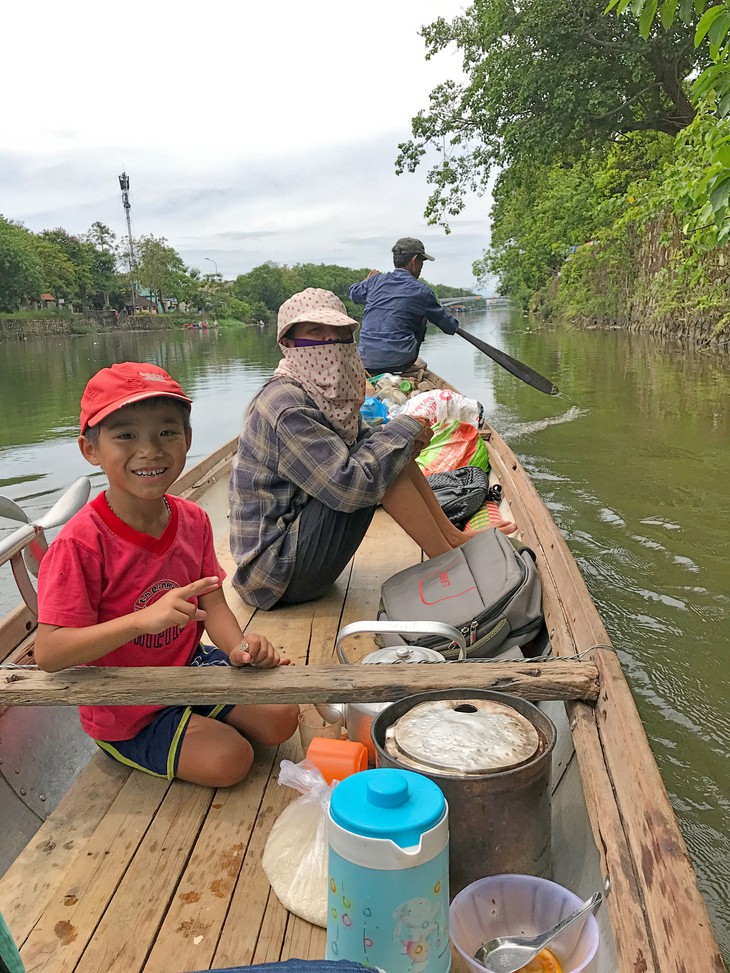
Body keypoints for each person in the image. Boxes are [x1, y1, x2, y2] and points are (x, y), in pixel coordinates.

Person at [35, 362, 299, 788]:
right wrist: (141, 620)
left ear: (188, 439)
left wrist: (239, 649)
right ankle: (128, 742)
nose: (151, 450)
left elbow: (212, 602)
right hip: (125, 703)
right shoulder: (81, 544)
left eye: (167, 432)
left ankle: (196, 715)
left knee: (282, 716)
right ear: (90, 449)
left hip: (186, 666)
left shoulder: (192, 519)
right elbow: (49, 653)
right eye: (125, 435)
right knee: (230, 759)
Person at [229, 288, 515, 610]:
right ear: (290, 343)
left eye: (338, 333)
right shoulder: (287, 406)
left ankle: (452, 540)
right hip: (274, 573)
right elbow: (350, 486)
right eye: (316, 332)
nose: (330, 343)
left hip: (296, 554)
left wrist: (404, 438)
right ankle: (449, 559)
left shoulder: (320, 394)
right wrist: (404, 431)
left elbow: (371, 444)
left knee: (389, 452)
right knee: (380, 465)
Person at [349, 237, 460, 375]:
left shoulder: (374, 282)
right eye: (421, 263)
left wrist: (367, 281)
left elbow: (354, 294)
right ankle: (406, 365)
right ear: (414, 261)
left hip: (366, 360)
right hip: (400, 362)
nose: (421, 269)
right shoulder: (422, 291)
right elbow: (449, 327)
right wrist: (454, 324)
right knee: (422, 316)